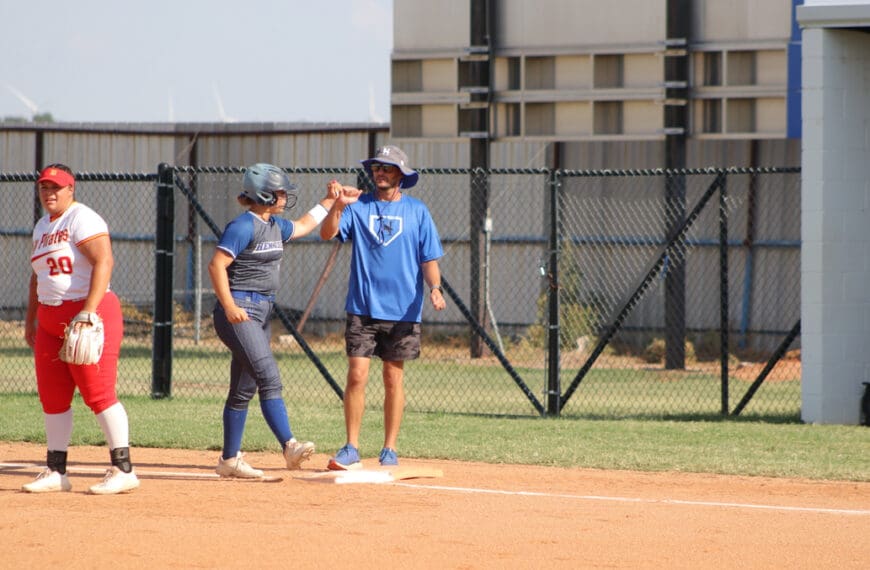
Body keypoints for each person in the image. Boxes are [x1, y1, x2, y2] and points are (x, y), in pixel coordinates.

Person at [320, 145, 446, 470]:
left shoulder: (417, 212)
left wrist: (435, 288)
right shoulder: (358, 206)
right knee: (357, 374)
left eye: (388, 168)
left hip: (403, 310)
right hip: (363, 307)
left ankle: (389, 448)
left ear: (401, 175)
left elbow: (429, 259)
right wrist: (337, 206)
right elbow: (327, 233)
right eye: (377, 167)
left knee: (393, 379)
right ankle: (351, 447)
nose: (380, 172)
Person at [208, 163, 336, 478]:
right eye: (280, 192)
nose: (284, 196)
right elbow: (216, 265)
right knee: (269, 376)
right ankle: (289, 445)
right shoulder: (243, 226)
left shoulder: (275, 225)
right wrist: (228, 305)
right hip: (240, 310)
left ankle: (228, 460)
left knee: (244, 387)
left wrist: (330, 201)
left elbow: (305, 225)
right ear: (263, 194)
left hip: (262, 312)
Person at [23, 164, 140, 495]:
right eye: (44, 188)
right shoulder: (42, 226)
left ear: (71, 189)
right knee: (52, 396)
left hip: (88, 313)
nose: (50, 193)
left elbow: (104, 260)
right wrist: (31, 319)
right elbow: (37, 277)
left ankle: (124, 469)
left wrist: (88, 312)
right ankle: (55, 471)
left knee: (97, 392)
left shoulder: (81, 218)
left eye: (56, 187)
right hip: (50, 320)